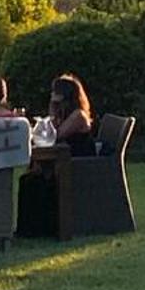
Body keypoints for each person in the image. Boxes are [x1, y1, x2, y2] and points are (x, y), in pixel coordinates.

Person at [17, 74, 95, 238]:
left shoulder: (78, 116)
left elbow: (54, 136)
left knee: (35, 182)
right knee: (28, 180)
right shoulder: (63, 115)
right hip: (63, 161)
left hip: (76, 164)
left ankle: (42, 227)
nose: (52, 95)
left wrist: (52, 110)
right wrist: (53, 111)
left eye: (55, 92)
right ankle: (30, 228)